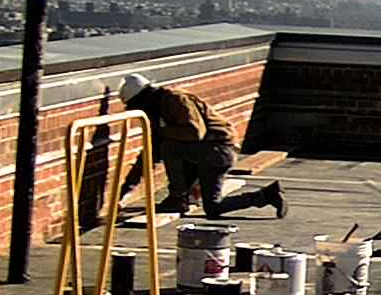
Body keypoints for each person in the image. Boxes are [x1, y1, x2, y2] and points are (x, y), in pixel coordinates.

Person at [120, 73, 283, 221]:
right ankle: (267, 195)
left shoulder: (176, 100)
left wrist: (161, 132)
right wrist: (124, 192)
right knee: (213, 207)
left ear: (144, 98)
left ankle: (178, 198)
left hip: (218, 152)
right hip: (206, 153)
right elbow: (149, 155)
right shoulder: (158, 111)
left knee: (169, 147)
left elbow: (195, 133)